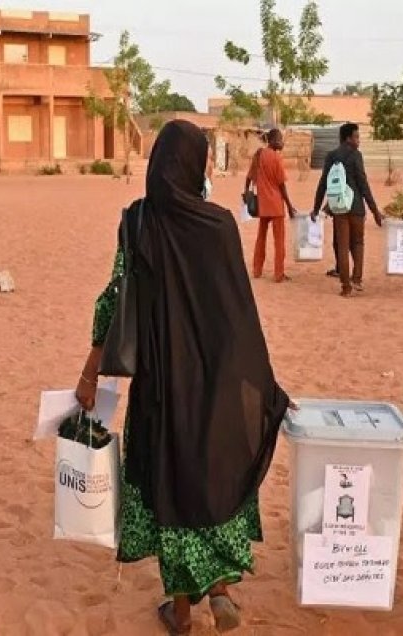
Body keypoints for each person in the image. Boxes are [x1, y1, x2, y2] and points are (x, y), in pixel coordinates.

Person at [76, 120, 290, 635]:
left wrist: (89, 375)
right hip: (216, 381)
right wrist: (265, 387)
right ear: (194, 167)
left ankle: (180, 610)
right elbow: (239, 316)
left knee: (169, 481)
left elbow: (114, 302)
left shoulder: (138, 222)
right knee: (211, 475)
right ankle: (218, 587)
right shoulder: (217, 226)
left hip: (160, 386)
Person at [311, 122, 383, 297]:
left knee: (342, 246)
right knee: (358, 243)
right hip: (357, 207)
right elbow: (363, 184)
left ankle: (346, 287)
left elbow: (323, 184)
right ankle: (356, 279)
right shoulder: (356, 155)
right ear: (348, 138)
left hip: (339, 208)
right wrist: (375, 211)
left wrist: (316, 208)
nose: (359, 140)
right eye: (356, 137)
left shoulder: (331, 156)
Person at [244, 129, 297, 282]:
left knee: (261, 237)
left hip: (263, 203)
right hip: (276, 205)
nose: (282, 142)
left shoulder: (259, 155)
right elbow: (282, 185)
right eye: (280, 139)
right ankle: (278, 273)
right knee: (279, 240)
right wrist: (289, 205)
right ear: (272, 140)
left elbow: (249, 178)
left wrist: (246, 193)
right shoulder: (276, 158)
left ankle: (257, 270)